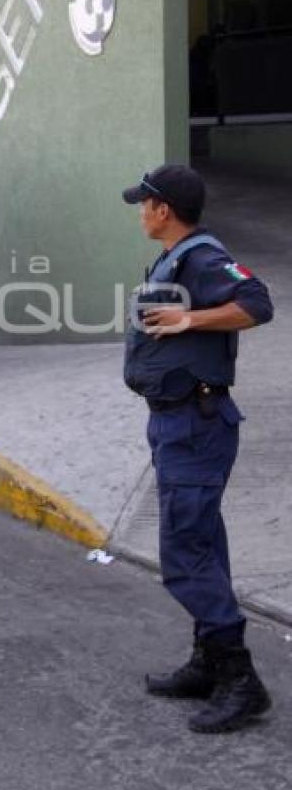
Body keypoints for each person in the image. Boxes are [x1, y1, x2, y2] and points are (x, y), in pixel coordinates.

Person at [122, 163, 274, 733]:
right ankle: (209, 662)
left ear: (164, 209)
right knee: (202, 542)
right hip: (175, 422)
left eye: (146, 204)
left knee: (185, 554)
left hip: (196, 424)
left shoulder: (203, 256)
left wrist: (191, 318)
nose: (141, 212)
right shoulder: (175, 257)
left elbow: (257, 303)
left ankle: (241, 680)